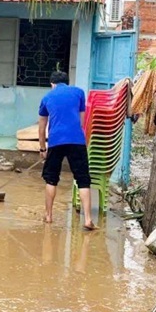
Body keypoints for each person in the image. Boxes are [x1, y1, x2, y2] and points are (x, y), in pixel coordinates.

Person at [38, 70, 96, 230]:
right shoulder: (78, 93)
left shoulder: (47, 98)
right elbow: (83, 121)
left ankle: (48, 216)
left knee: (51, 179)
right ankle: (88, 219)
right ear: (67, 82)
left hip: (56, 141)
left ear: (52, 84)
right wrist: (83, 140)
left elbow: (41, 127)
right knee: (83, 179)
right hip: (77, 140)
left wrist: (43, 148)